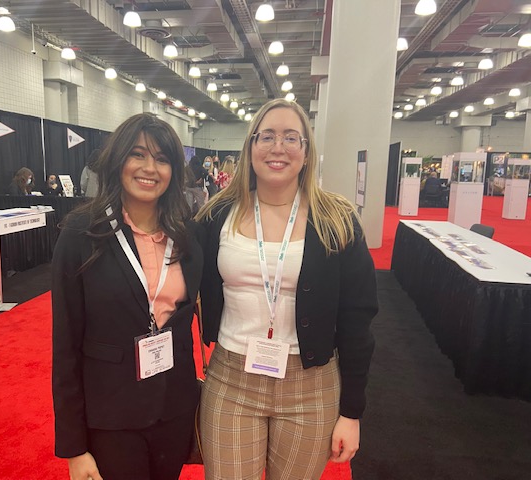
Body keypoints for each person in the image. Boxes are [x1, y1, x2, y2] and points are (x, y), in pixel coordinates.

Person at [196, 99, 379, 480]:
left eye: (290, 137)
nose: (278, 147)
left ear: (307, 152)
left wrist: (352, 412)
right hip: (232, 380)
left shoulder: (337, 220)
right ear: (250, 148)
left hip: (311, 386)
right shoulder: (216, 216)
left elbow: (357, 319)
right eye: (267, 136)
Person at [52, 113, 204, 480]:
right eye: (138, 154)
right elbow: (66, 344)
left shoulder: (185, 234)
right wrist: (74, 445)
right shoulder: (81, 232)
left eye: (163, 158)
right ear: (118, 160)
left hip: (173, 407)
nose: (150, 168)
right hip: (111, 414)